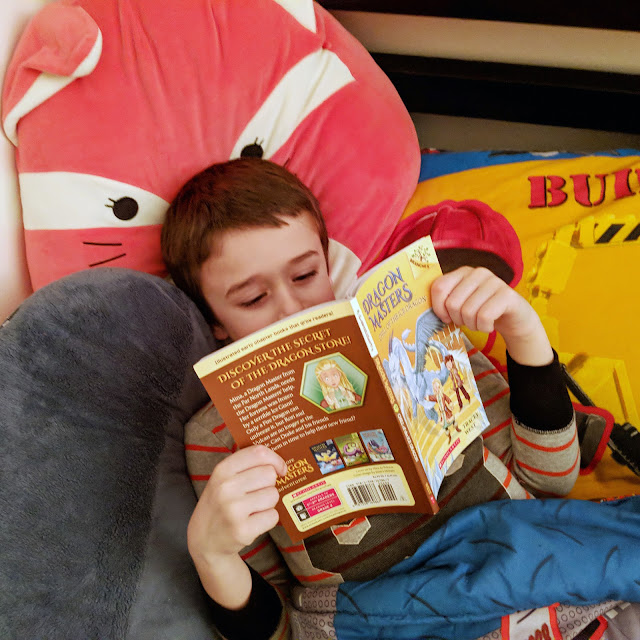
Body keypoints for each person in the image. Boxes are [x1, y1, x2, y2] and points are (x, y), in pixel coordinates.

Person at [161, 157, 579, 640]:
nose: (291, 310)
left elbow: (552, 482)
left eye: (305, 275)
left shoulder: (419, 328)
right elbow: (281, 631)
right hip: (386, 621)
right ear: (214, 321)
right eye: (253, 299)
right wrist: (213, 556)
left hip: (524, 574)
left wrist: (524, 333)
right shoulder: (215, 436)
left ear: (327, 264)